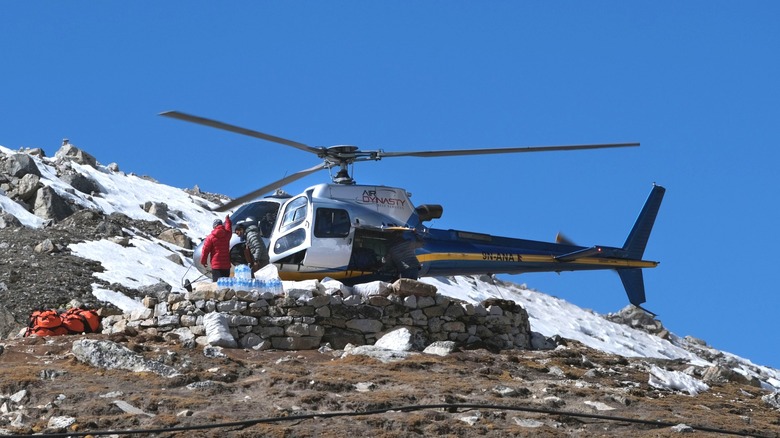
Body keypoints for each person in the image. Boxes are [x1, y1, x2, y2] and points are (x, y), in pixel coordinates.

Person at [201, 216, 232, 281]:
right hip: (226, 265)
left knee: (217, 285)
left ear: (214, 226)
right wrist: (227, 220)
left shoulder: (210, 237)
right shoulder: (227, 234)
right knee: (226, 285)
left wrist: (203, 261)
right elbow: (229, 228)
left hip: (216, 266)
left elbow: (205, 250)